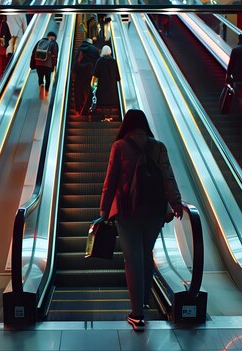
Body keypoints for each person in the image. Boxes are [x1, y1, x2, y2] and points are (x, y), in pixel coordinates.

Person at [99, 109, 183, 332]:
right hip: (154, 211)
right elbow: (168, 176)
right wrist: (175, 202)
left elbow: (110, 182)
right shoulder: (158, 146)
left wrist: (103, 212)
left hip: (128, 213)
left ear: (126, 125)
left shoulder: (119, 147)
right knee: (145, 255)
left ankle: (137, 315)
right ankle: (144, 300)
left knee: (132, 260)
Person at [91, 45, 120, 121]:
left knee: (103, 102)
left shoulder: (99, 61)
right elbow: (117, 76)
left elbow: (95, 74)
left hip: (102, 85)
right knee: (110, 102)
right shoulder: (113, 61)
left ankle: (104, 116)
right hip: (112, 85)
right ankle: (109, 116)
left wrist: (92, 83)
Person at [73, 38, 99, 117]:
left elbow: (76, 62)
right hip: (90, 74)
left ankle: (78, 110)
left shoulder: (80, 49)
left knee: (78, 92)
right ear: (91, 43)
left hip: (80, 74)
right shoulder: (95, 49)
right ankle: (88, 109)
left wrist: (74, 73)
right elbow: (97, 62)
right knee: (89, 92)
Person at [30, 31, 59, 100]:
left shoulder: (40, 42)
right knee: (48, 78)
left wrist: (33, 64)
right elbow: (54, 55)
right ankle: (46, 91)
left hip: (38, 63)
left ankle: (41, 85)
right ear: (54, 37)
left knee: (40, 77)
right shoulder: (53, 43)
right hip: (48, 65)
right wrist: (54, 65)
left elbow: (33, 53)